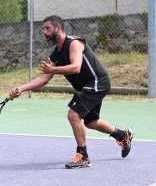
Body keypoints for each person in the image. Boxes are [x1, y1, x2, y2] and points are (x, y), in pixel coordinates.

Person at [9, 15, 133, 169]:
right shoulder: (56, 54)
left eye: (47, 28)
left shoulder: (74, 43)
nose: (44, 32)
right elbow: (44, 79)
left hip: (96, 82)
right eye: (43, 29)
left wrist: (54, 69)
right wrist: (21, 88)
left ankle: (83, 156)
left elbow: (76, 67)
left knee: (73, 114)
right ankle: (122, 135)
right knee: (91, 122)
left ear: (58, 28)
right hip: (87, 87)